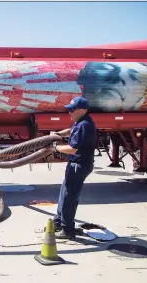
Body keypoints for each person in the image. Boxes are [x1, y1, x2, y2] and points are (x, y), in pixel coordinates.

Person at [51, 96, 97, 239]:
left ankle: (68, 230)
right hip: (76, 164)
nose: (69, 113)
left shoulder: (84, 125)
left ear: (82, 110)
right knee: (64, 192)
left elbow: (72, 149)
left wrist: (55, 148)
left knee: (69, 196)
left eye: (72, 110)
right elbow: (70, 131)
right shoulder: (81, 122)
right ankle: (58, 221)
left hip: (79, 164)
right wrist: (57, 134)